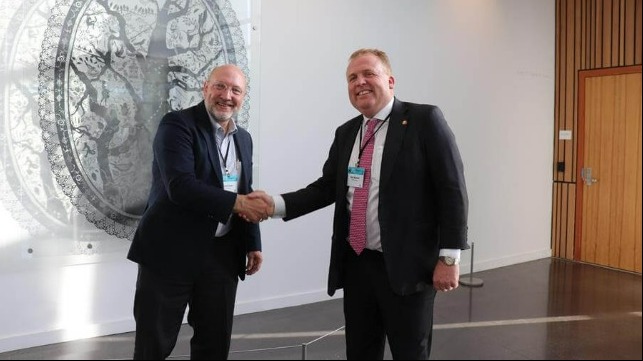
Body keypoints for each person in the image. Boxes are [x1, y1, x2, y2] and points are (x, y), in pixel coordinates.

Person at [253, 48, 469, 360]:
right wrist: (275, 205)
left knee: (410, 352)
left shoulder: (423, 120)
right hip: (357, 265)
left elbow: (452, 190)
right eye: (352, 77)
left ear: (390, 81)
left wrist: (449, 258)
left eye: (369, 73)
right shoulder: (347, 132)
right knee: (360, 351)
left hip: (407, 268)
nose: (360, 82)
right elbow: (326, 188)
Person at [127, 64, 271, 360]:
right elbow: (180, 186)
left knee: (214, 344)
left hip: (221, 256)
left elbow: (244, 188)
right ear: (205, 87)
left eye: (235, 90)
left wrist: (252, 242)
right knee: (153, 345)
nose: (226, 96)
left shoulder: (243, 139)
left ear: (243, 96)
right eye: (220, 86)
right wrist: (239, 204)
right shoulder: (177, 125)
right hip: (169, 253)